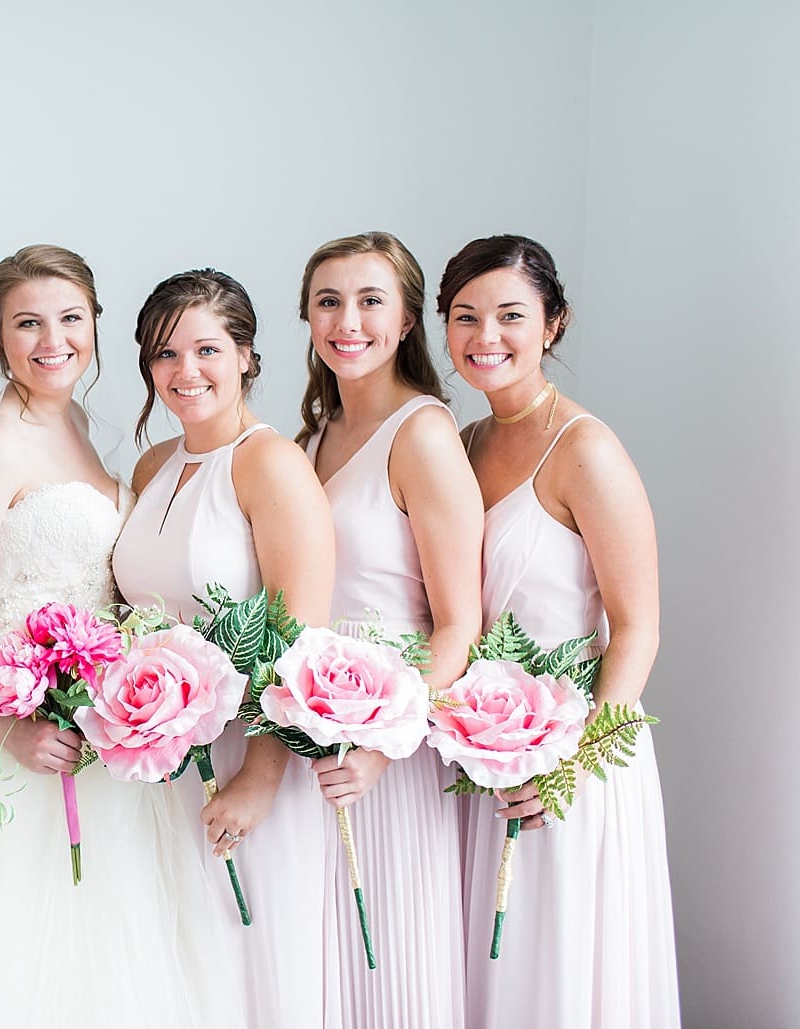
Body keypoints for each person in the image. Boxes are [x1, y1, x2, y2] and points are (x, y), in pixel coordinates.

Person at [0, 245, 238, 1028]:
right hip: (9, 753)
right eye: (27, 323)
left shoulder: (79, 427)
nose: (51, 340)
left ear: (94, 324)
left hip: (94, 745)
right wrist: (6, 719)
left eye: (69, 318)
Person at [440, 234, 679, 1028]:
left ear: (552, 324)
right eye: (465, 316)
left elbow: (638, 626)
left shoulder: (585, 450)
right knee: (483, 969)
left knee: (553, 972)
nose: (485, 337)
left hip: (568, 755)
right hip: (477, 752)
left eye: (510, 315)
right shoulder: (459, 444)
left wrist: (567, 766)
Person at [113, 268, 339, 1027]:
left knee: (251, 975)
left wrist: (260, 780)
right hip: (155, 767)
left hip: (245, 765)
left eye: (206, 348)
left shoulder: (269, 463)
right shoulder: (152, 468)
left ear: (245, 354)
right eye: (163, 354)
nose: (184, 372)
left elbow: (296, 639)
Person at [294, 231, 481, 1028]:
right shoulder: (305, 441)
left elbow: (458, 625)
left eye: (371, 300)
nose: (348, 320)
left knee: (389, 974)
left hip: (388, 761)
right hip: (307, 742)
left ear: (406, 319)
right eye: (328, 301)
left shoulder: (423, 435)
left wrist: (380, 745)